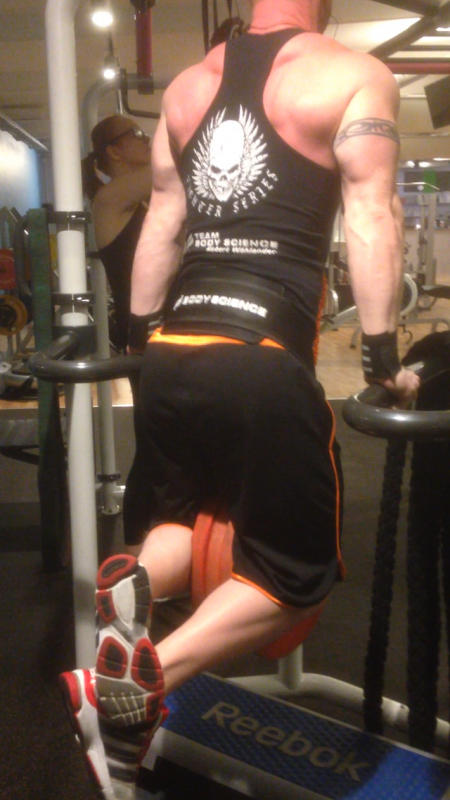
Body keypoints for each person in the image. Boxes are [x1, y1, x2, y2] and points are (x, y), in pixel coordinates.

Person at [60, 2, 420, 798]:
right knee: (292, 576)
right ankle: (136, 688)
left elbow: (164, 219)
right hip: (261, 357)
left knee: (180, 519)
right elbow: (372, 210)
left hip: (175, 348)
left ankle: (132, 583)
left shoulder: (189, 87)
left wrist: (143, 343)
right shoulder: (352, 74)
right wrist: (384, 357)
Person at [81, 113, 152, 354]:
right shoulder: (109, 198)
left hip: (161, 320)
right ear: (114, 151)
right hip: (141, 328)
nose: (146, 138)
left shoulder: (144, 199)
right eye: (137, 134)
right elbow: (174, 166)